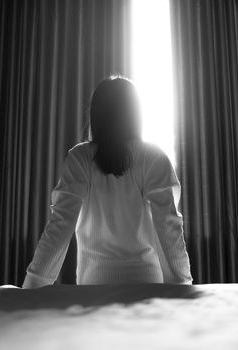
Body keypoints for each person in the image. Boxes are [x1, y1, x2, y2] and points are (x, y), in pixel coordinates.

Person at [22, 75, 192, 288]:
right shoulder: (153, 157)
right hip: (148, 286)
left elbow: (60, 225)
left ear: (96, 115)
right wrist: (182, 285)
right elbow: (168, 226)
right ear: (136, 114)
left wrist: (33, 285)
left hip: (93, 288)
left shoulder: (80, 157)